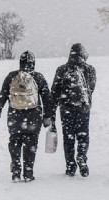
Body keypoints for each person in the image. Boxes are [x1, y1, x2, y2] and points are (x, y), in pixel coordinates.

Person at [0, 50, 52, 182]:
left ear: (20, 63)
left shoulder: (11, 76)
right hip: (34, 117)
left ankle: (16, 170)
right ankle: (28, 173)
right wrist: (48, 116)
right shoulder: (38, 77)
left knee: (15, 141)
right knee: (31, 143)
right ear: (33, 63)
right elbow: (47, 99)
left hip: (15, 116)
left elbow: (2, 95)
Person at [50, 43, 96, 177]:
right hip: (83, 108)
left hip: (66, 109)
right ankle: (81, 156)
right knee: (83, 135)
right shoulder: (89, 69)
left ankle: (70, 166)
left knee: (68, 137)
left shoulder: (62, 69)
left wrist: (51, 113)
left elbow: (54, 92)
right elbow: (91, 88)